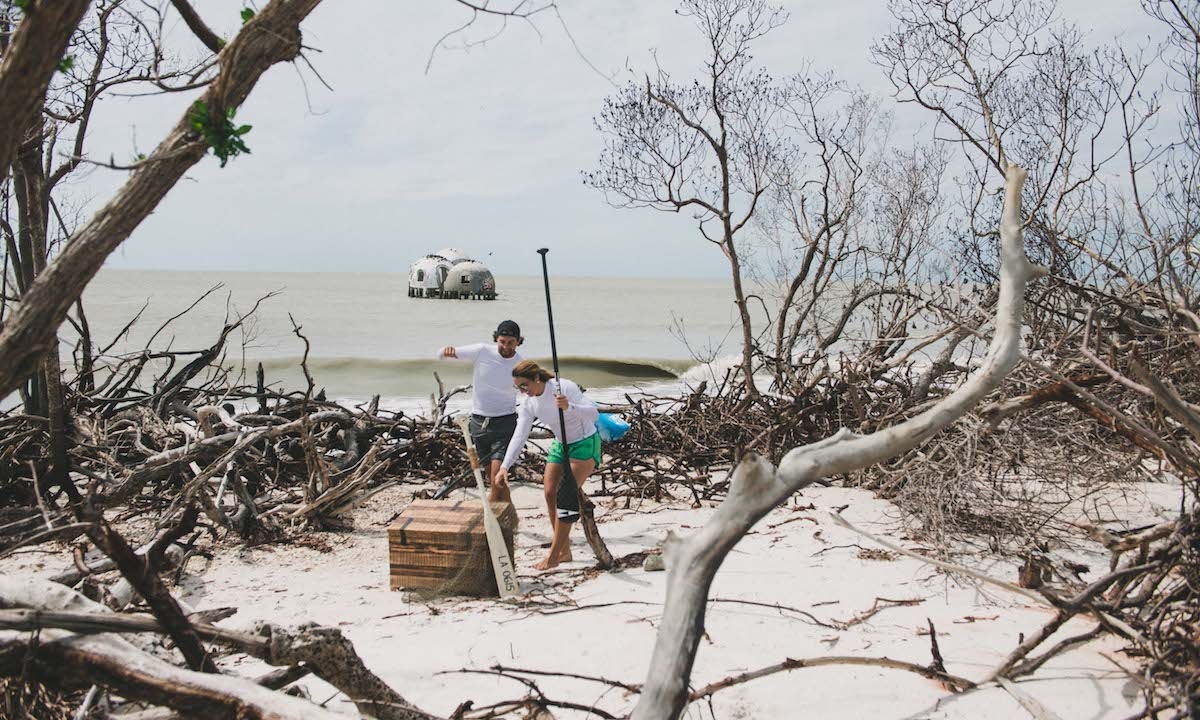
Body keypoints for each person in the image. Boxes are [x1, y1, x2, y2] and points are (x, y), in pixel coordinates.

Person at [495, 359, 600, 570]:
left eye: (524, 385)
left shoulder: (563, 387)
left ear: (536, 378)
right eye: (518, 388)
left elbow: (593, 414)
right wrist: (505, 466)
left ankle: (553, 555)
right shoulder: (529, 402)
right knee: (550, 493)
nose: (523, 391)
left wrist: (570, 407)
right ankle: (565, 551)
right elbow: (520, 435)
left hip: (584, 442)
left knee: (565, 495)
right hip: (561, 445)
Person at [437, 320, 524, 504]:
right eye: (502, 341)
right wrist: (447, 351)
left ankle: (491, 518)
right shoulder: (482, 351)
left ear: (518, 341)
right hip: (478, 423)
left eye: (510, 342)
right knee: (493, 480)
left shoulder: (521, 365)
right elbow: (440, 355)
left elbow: (533, 391)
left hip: (505, 423)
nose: (505, 347)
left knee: (497, 478)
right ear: (496, 339)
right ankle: (509, 516)